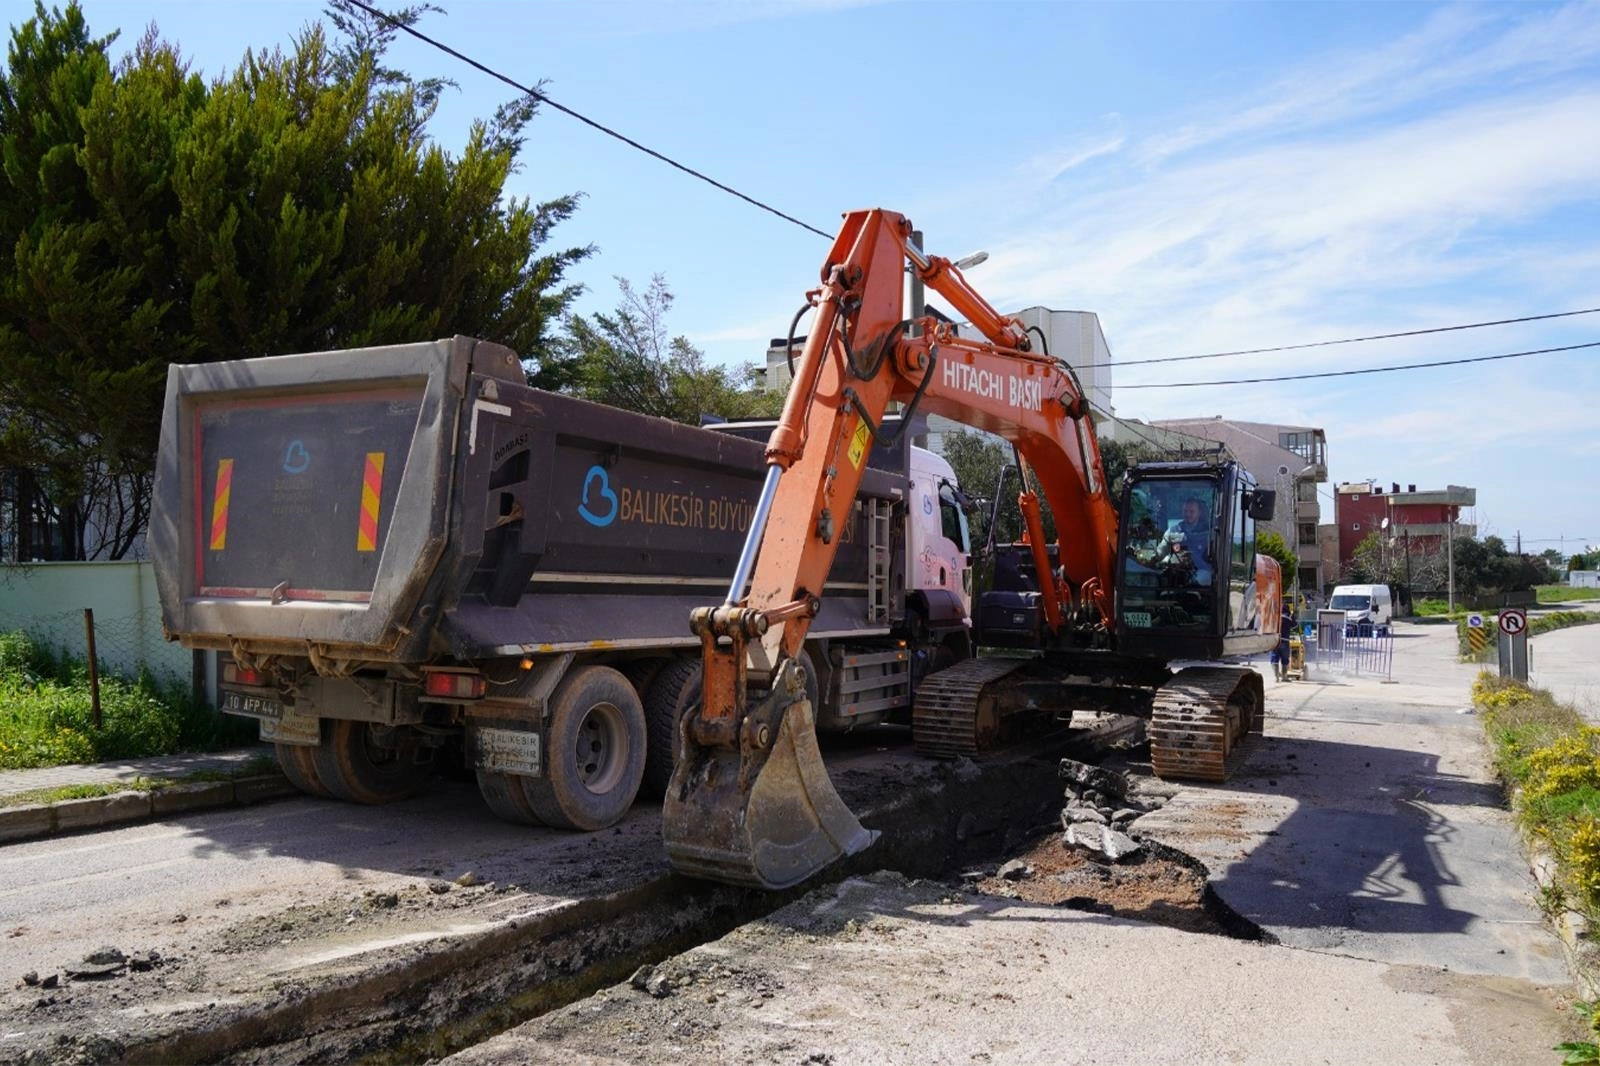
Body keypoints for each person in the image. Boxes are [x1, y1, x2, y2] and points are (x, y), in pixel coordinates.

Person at [1271, 601, 1295, 681]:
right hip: (1285, 641)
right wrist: (1293, 615)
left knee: (1274, 657)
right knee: (1285, 659)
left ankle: (1276, 677)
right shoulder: (1288, 618)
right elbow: (1295, 625)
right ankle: (1284, 677)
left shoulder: (1275, 617)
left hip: (1275, 641)